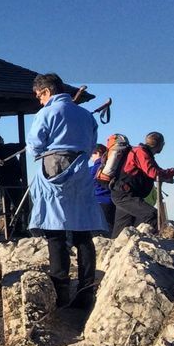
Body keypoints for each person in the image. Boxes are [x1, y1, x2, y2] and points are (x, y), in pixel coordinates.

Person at [25, 73, 106, 308]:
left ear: (47, 92)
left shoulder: (47, 112)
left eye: (38, 96)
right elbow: (92, 145)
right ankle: (86, 290)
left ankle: (60, 289)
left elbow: (35, 145)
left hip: (53, 164)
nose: (39, 101)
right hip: (80, 167)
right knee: (82, 231)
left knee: (55, 228)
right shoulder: (84, 115)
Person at [112, 132, 174, 237]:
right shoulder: (141, 152)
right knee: (153, 215)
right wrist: (173, 172)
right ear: (161, 144)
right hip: (125, 195)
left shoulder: (142, 152)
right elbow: (154, 172)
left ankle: (114, 249)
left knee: (122, 227)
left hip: (123, 193)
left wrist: (168, 175)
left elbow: (155, 172)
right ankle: (162, 241)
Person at [0, 132, 28, 236]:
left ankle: (9, 228)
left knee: (6, 206)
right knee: (17, 204)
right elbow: (22, 145)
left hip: (3, 181)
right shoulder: (7, 147)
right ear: (0, 140)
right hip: (13, 180)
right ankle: (18, 228)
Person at [89, 143, 115, 232]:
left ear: (97, 153)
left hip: (99, 201)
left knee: (100, 231)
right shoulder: (110, 167)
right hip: (111, 201)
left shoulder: (94, 168)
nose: (90, 156)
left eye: (92, 153)